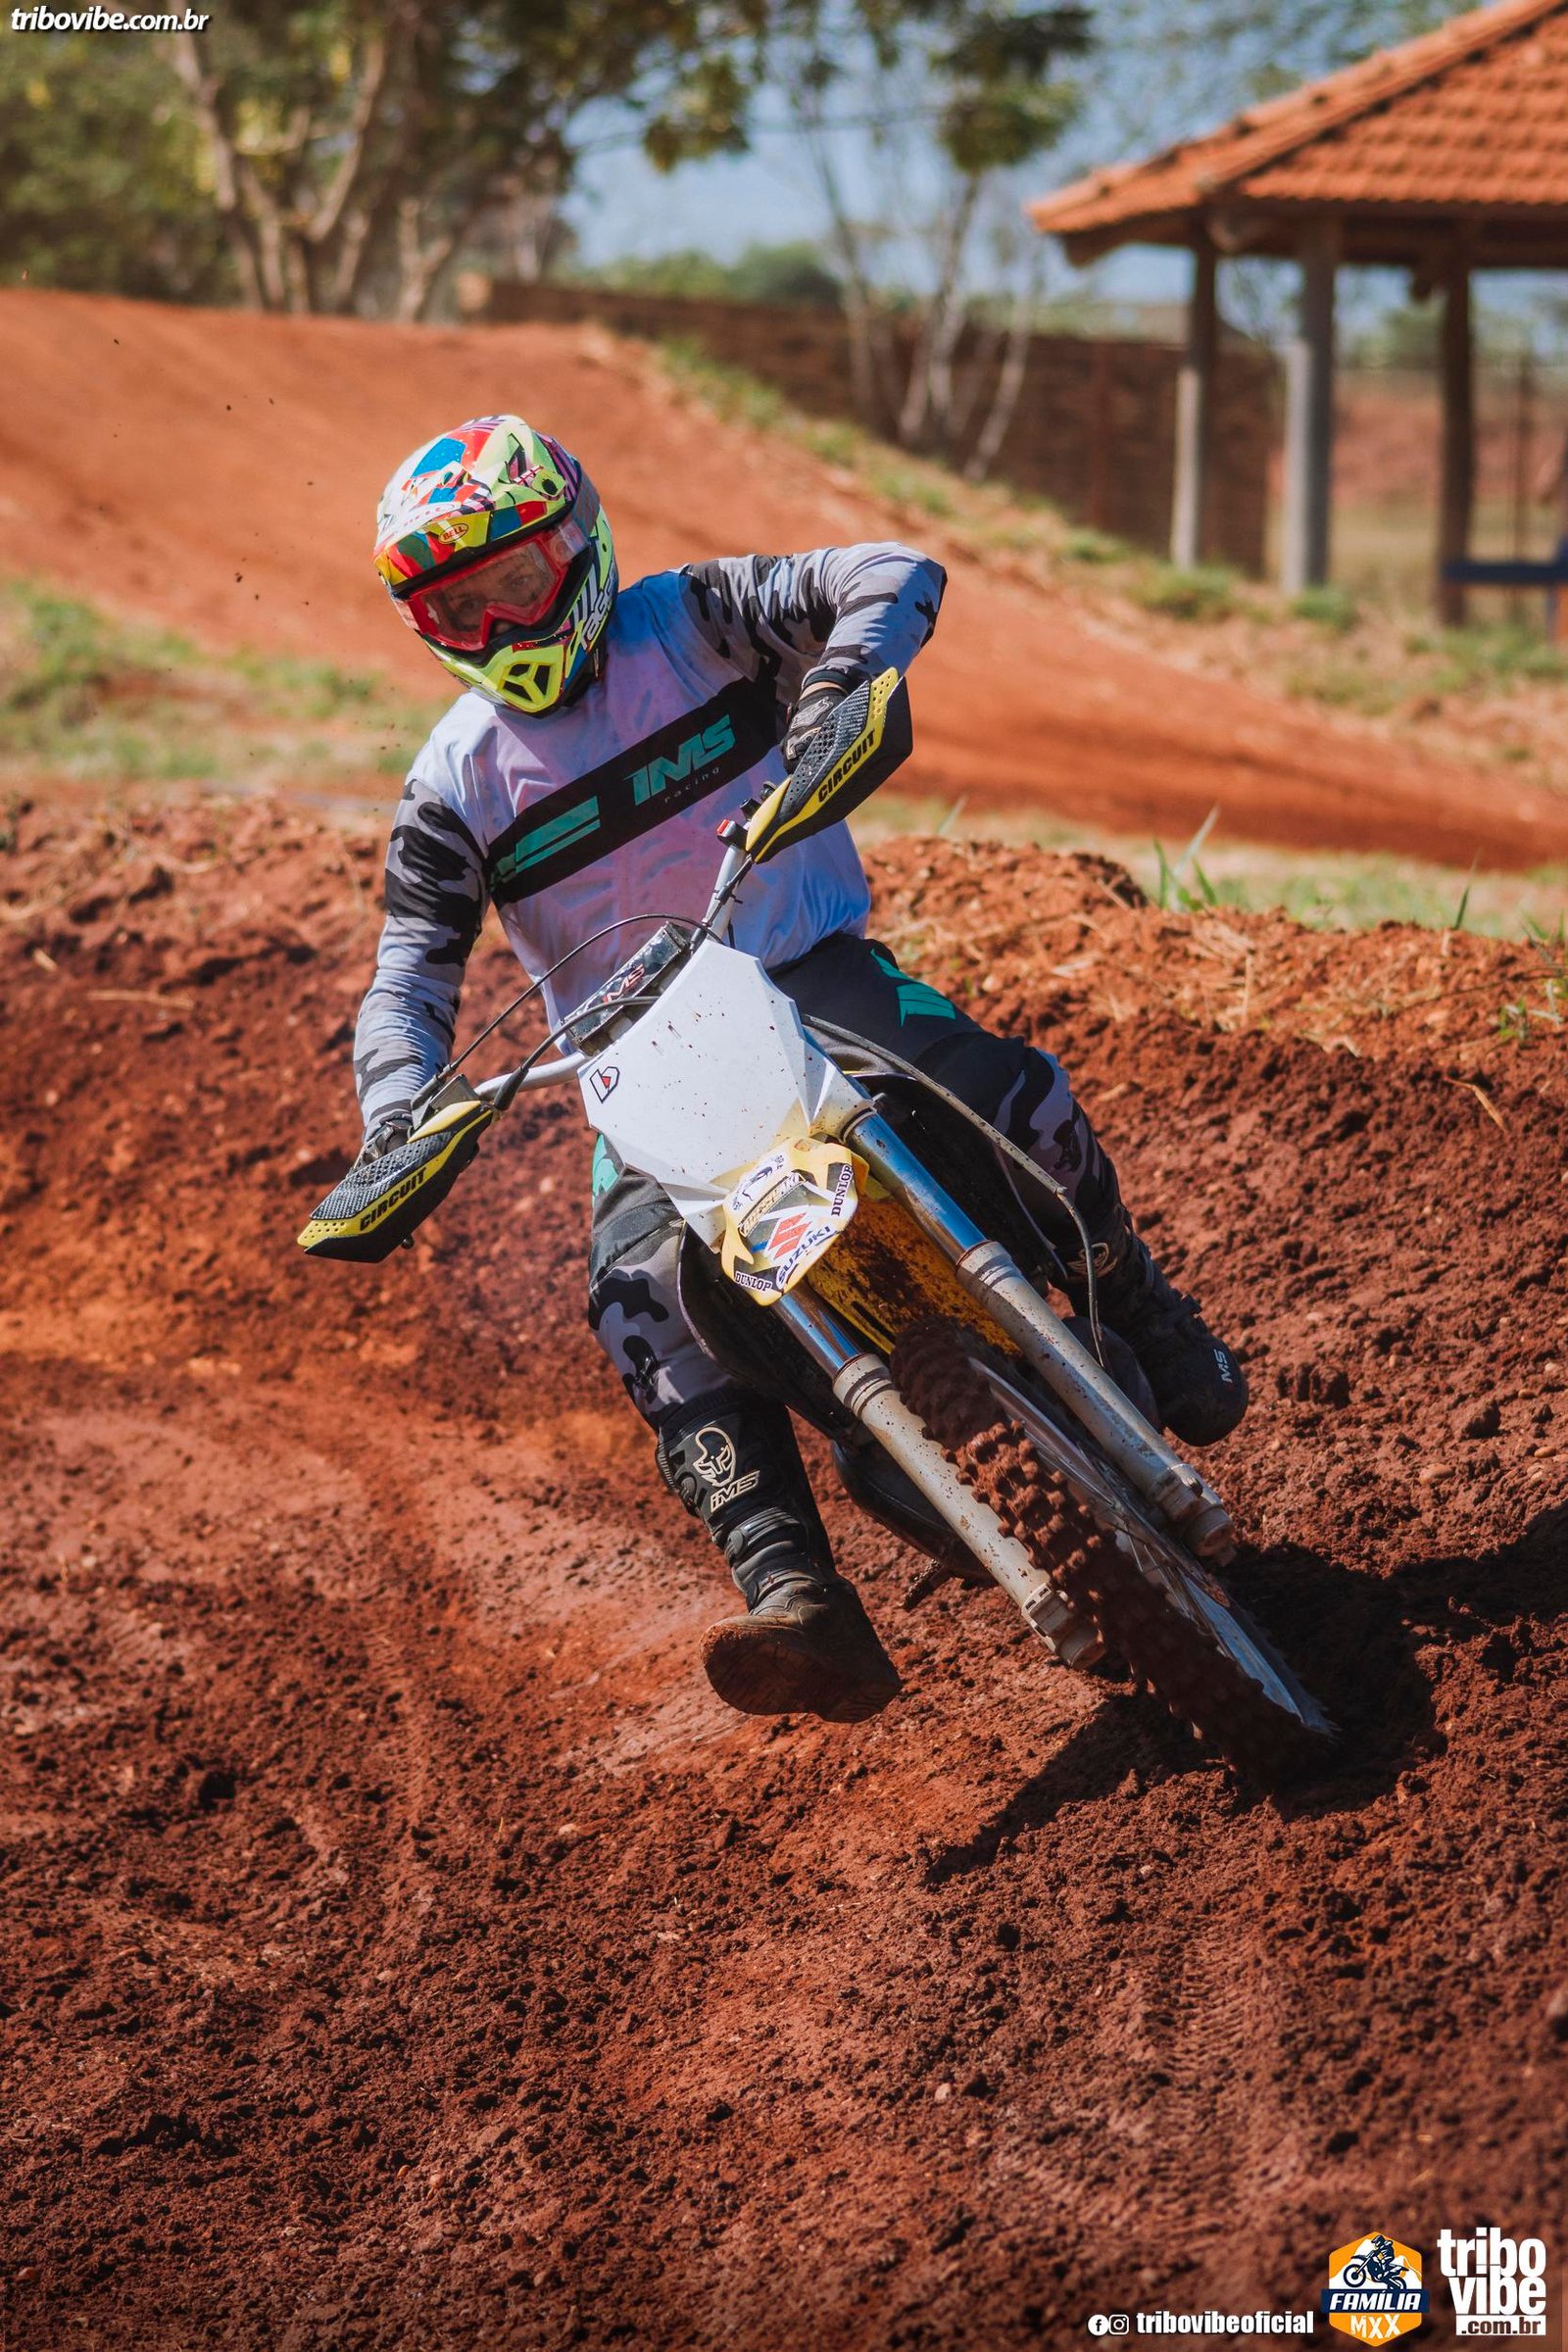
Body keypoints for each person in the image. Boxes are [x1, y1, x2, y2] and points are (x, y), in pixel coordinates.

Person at [354, 414, 1248, 1726]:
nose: (496, 624)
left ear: (578, 546)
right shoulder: (452, 784)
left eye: (518, 582)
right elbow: (407, 976)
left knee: (1001, 1089)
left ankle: (1143, 1301)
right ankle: (796, 1592)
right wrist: (398, 1111)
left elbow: (889, 572)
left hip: (804, 970)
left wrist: (833, 702)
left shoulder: (691, 620)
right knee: (636, 1297)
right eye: (458, 607)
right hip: (635, 1072)